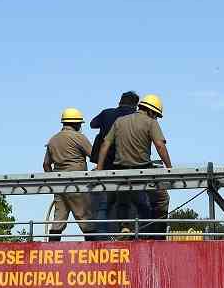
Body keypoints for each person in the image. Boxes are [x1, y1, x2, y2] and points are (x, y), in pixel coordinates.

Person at [94, 94, 172, 238]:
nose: (156, 118)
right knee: (161, 199)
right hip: (143, 170)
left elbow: (105, 144)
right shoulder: (150, 122)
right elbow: (160, 146)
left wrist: (99, 169)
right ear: (151, 111)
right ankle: (156, 234)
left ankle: (124, 228)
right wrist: (169, 168)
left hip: (120, 171)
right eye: (156, 115)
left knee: (123, 200)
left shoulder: (119, 121)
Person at [43, 108, 93, 241]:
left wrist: (53, 181)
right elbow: (94, 156)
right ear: (77, 123)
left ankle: (52, 249)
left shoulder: (53, 140)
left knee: (58, 219)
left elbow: (46, 165)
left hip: (59, 185)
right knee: (85, 218)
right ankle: (94, 250)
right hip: (77, 184)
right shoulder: (78, 137)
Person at [88, 91, 139, 221]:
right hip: (127, 164)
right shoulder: (135, 116)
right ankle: (125, 227)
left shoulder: (107, 113)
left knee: (105, 203)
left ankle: (101, 232)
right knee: (125, 199)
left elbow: (92, 124)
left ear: (120, 102)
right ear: (135, 105)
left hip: (105, 164)